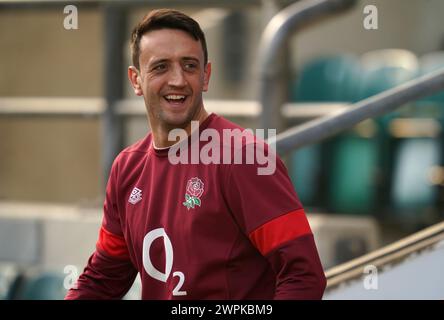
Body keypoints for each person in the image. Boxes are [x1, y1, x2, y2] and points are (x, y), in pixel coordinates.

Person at [65, 8, 326, 300]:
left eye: (189, 66)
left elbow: (304, 277)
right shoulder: (127, 167)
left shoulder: (245, 158)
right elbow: (102, 279)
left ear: (206, 76)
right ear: (136, 80)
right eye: (161, 67)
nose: (177, 80)